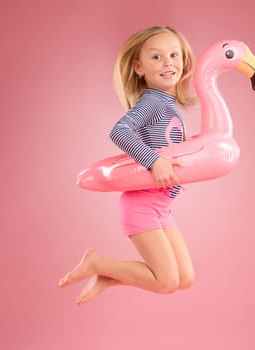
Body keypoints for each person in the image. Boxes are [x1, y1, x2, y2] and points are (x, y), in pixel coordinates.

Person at [59, 25, 197, 304]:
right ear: (138, 67)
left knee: (185, 278)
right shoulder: (152, 102)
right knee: (166, 282)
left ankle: (109, 277)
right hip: (143, 205)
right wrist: (154, 160)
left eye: (174, 55)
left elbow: (166, 144)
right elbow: (119, 132)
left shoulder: (169, 105)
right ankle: (98, 264)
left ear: (184, 61)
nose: (168, 62)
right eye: (156, 57)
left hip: (162, 205)